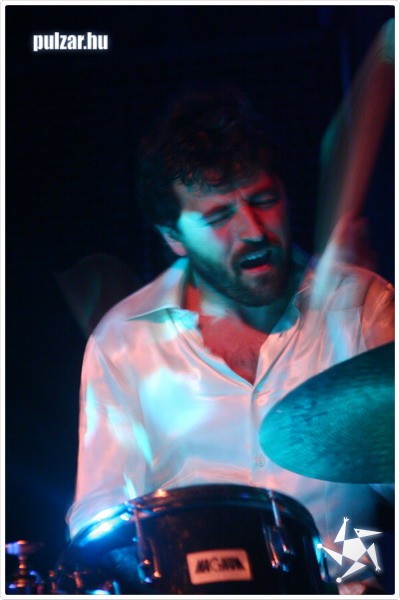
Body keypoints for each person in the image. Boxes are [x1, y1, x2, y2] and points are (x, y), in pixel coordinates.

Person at [66, 26, 394, 595]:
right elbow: (100, 514)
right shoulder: (124, 343)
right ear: (173, 236)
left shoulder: (365, 306)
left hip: (344, 579)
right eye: (219, 217)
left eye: (264, 200)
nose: (254, 231)